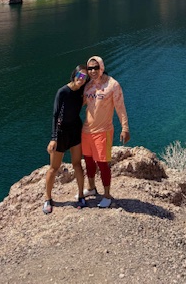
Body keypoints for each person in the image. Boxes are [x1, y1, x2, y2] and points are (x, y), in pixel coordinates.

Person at [82, 55, 130, 208]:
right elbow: (78, 103)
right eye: (89, 68)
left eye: (95, 67)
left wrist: (125, 127)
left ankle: (107, 195)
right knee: (88, 162)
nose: (92, 71)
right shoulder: (87, 86)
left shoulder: (112, 85)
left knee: (103, 164)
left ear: (101, 67)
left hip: (103, 131)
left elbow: (120, 107)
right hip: (86, 131)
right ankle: (91, 188)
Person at [43, 64, 88, 214]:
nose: (82, 79)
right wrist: (53, 138)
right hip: (61, 132)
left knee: (77, 165)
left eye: (84, 77)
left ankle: (81, 195)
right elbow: (55, 115)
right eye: (79, 76)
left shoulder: (82, 90)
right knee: (54, 168)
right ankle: (48, 198)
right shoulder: (62, 92)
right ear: (74, 75)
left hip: (75, 130)